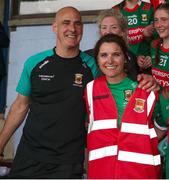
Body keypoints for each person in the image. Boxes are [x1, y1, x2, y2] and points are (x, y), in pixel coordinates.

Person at [0, 6, 99, 178]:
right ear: (55, 28)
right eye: (66, 23)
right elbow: (20, 106)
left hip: (67, 162)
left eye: (77, 24)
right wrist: (0, 144)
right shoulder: (35, 63)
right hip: (29, 156)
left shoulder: (93, 67)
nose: (72, 29)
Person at [84, 34, 161, 179]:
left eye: (116, 54)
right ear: (97, 60)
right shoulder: (90, 90)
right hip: (102, 172)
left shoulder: (145, 89)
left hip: (139, 173)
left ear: (125, 58)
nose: (110, 60)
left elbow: (161, 127)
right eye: (104, 55)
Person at [85, 9, 159, 89]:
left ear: (123, 32)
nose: (108, 31)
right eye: (104, 28)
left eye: (114, 27)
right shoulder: (88, 57)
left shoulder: (131, 57)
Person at [150, 3, 169, 179]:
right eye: (156, 20)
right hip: (158, 114)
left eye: (164, 19)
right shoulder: (154, 45)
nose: (159, 24)